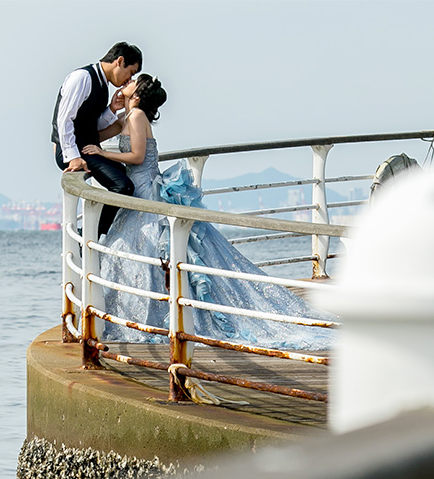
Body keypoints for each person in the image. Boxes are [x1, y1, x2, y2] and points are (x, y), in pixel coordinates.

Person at [83, 75, 335, 353]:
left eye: (133, 82)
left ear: (139, 94)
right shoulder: (128, 115)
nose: (126, 82)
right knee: (132, 249)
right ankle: (138, 312)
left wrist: (103, 155)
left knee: (143, 248)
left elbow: (138, 157)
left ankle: (157, 315)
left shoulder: (138, 115)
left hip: (145, 190)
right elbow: (96, 135)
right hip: (136, 193)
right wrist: (111, 109)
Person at [51, 42, 142, 236]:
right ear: (119, 61)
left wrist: (112, 109)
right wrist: (72, 156)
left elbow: (91, 125)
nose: (129, 79)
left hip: (85, 147)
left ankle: (98, 230)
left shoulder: (102, 85)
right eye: (131, 72)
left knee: (123, 174)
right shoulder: (82, 78)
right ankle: (91, 234)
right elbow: (64, 118)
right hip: (73, 149)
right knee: (123, 186)